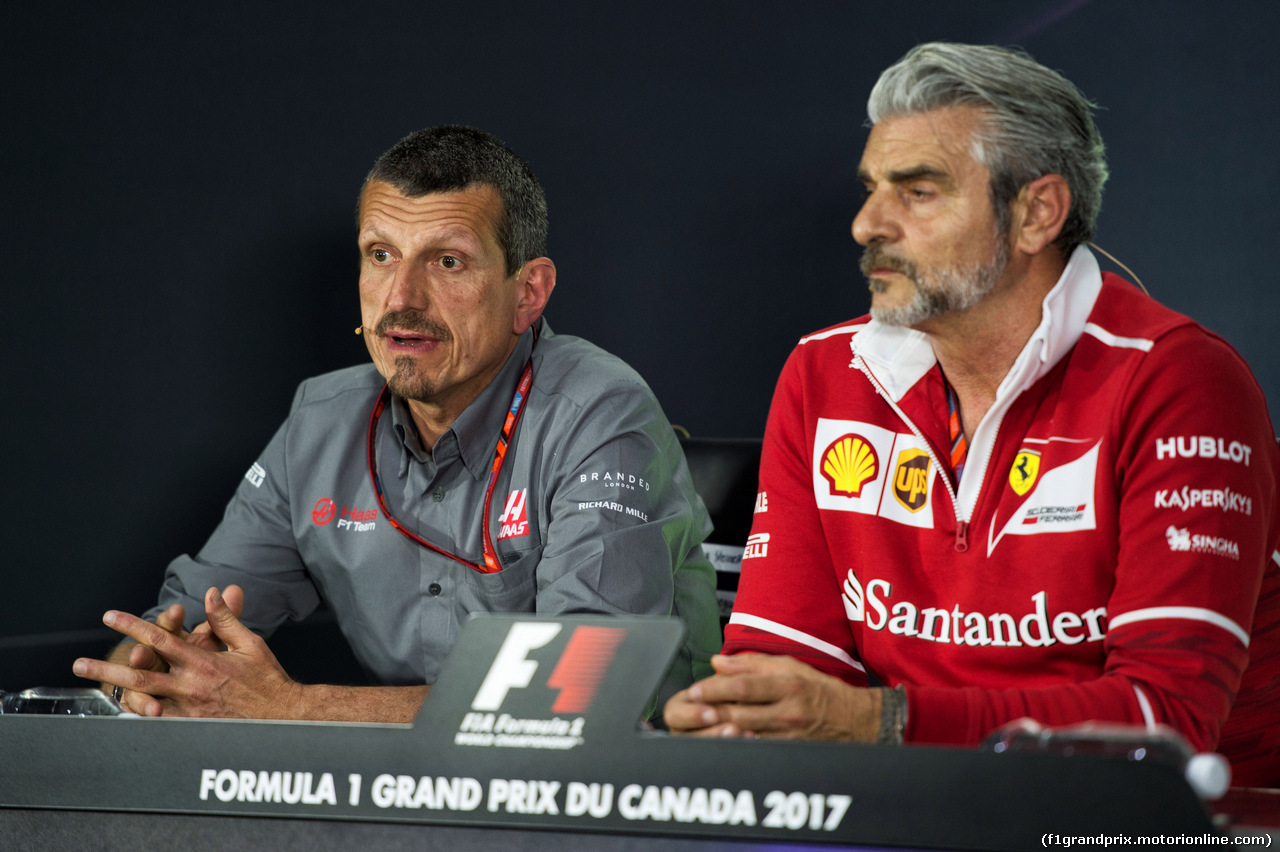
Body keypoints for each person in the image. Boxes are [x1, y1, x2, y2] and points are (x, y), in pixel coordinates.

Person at [664, 42, 1280, 786]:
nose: (866, 224)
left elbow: (1166, 721)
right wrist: (740, 713)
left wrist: (884, 725)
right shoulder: (824, 374)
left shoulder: (1179, 379)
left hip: (1179, 824)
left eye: (917, 191)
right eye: (870, 189)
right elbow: (788, 667)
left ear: (1035, 213)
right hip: (911, 803)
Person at [74, 126, 720, 723]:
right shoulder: (320, 423)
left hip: (622, 804)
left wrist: (294, 709)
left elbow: (581, 692)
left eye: (447, 262)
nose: (401, 299)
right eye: (381, 254)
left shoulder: (601, 412)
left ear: (528, 293)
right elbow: (189, 624)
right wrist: (150, 680)